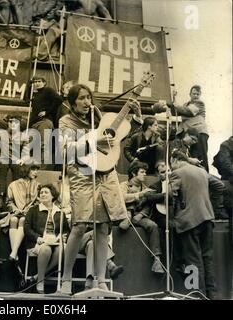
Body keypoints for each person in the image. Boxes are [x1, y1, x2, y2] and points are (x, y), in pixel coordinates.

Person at [58, 84, 128, 295]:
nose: (87, 102)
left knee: (103, 227)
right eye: (81, 98)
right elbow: (66, 149)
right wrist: (94, 140)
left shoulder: (98, 115)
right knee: (79, 225)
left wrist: (134, 115)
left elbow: (115, 136)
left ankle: (100, 280)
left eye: (89, 97)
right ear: (72, 102)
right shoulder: (65, 121)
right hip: (81, 172)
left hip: (104, 170)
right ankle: (66, 280)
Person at [169, 151, 225, 299]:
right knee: (207, 258)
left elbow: (169, 195)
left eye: (171, 163)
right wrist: (210, 204)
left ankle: (195, 294)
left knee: (191, 260)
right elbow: (219, 186)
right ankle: (211, 294)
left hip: (189, 221)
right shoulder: (202, 171)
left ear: (175, 160)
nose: (171, 167)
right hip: (207, 218)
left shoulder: (177, 173)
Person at [119, 161, 165, 274]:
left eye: (145, 172)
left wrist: (140, 215)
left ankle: (157, 261)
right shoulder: (123, 185)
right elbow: (121, 198)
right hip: (123, 214)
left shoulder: (146, 188)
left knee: (153, 226)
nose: (144, 174)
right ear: (134, 173)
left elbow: (148, 206)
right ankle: (127, 218)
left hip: (138, 217)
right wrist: (140, 195)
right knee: (123, 223)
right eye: (142, 172)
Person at [24, 184, 70, 293]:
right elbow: (27, 228)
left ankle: (37, 276)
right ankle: (40, 281)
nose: (43, 194)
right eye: (41, 193)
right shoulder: (33, 210)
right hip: (39, 241)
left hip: (55, 241)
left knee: (61, 250)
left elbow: (66, 230)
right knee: (46, 249)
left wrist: (62, 236)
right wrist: (37, 238)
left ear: (52, 195)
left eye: (46, 192)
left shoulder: (60, 212)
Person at [170, 85, 209, 171]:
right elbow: (174, 113)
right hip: (188, 133)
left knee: (200, 156)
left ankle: (205, 177)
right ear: (190, 94)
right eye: (194, 93)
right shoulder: (185, 105)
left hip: (199, 133)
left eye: (197, 94)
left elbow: (189, 111)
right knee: (190, 157)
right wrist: (173, 100)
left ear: (200, 95)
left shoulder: (200, 103)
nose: (196, 96)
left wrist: (176, 105)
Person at [6, 164, 40, 261]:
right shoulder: (13, 185)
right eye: (33, 169)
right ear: (26, 169)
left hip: (31, 214)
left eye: (37, 170)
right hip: (16, 211)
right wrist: (15, 209)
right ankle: (14, 254)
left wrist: (29, 210)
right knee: (13, 219)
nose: (36, 172)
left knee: (22, 220)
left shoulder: (38, 185)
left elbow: (38, 202)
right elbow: (9, 201)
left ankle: (14, 252)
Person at [28, 76, 62, 165]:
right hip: (35, 123)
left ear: (44, 82)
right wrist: (29, 86)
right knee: (32, 146)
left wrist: (47, 112)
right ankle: (34, 167)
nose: (37, 83)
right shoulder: (35, 94)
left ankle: (42, 168)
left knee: (43, 145)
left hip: (44, 122)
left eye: (39, 81)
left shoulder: (48, 90)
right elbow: (26, 100)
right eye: (35, 82)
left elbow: (59, 100)